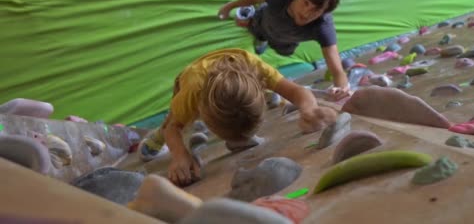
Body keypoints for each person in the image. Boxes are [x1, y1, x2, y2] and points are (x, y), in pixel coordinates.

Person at [137, 48, 337, 186]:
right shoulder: (191, 94)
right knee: (174, 119)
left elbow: (296, 90)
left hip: (238, 66)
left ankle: (268, 95)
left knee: (268, 94)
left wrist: (309, 108)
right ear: (203, 113)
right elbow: (173, 128)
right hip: (189, 77)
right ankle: (156, 139)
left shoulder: (256, 67)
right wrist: (180, 156)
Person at [217, 0, 350, 100]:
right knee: (257, 30)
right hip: (262, 22)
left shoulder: (322, 26)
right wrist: (230, 6)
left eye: (316, 10)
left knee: (284, 50)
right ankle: (259, 34)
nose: (307, 13)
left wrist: (342, 88)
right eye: (305, 2)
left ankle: (265, 39)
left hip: (286, 42)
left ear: (324, 12)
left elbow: (337, 68)